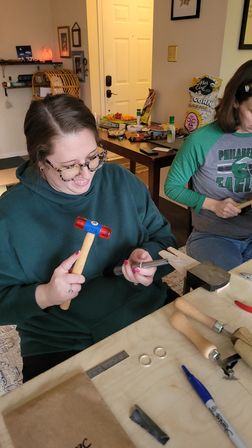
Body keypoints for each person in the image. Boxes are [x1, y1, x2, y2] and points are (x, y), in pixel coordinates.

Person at [0, 94, 177, 382]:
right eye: (69, 166)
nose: (86, 175)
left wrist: (149, 260)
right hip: (61, 341)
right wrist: (45, 294)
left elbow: (165, 242)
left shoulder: (122, 182)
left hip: (145, 308)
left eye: (93, 157)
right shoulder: (9, 216)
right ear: (40, 160)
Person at [165, 60, 252, 271]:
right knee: (232, 290)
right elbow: (172, 187)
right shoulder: (201, 140)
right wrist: (214, 205)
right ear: (235, 102)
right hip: (213, 234)